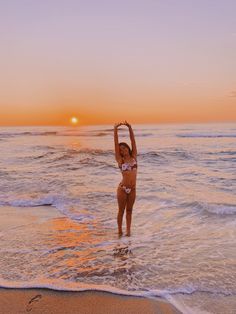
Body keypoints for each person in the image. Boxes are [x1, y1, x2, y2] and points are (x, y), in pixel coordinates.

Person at [114, 121, 137, 237]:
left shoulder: (134, 157)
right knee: (121, 211)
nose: (123, 150)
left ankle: (128, 232)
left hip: (133, 189)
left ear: (128, 148)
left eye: (124, 148)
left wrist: (129, 128)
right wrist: (115, 130)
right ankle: (119, 232)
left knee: (129, 211)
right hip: (122, 189)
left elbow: (133, 141)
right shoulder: (120, 160)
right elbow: (115, 143)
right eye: (120, 149)